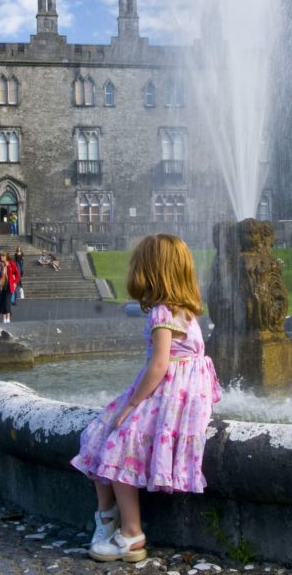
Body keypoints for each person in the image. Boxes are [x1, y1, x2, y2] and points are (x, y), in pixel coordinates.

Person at [71, 234, 221, 563]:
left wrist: (133, 404)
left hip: (168, 392)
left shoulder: (162, 314)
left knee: (119, 444)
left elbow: (159, 365)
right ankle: (108, 516)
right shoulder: (185, 311)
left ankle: (130, 532)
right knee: (101, 433)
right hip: (184, 392)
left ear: (150, 271)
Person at [0, 251, 20, 324]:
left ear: (6, 256)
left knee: (7, 302)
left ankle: (8, 317)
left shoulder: (11, 264)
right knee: (2, 302)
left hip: (9, 286)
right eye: (0, 256)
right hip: (0, 286)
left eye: (3, 256)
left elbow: (17, 274)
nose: (1, 257)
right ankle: (4, 318)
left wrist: (15, 282)